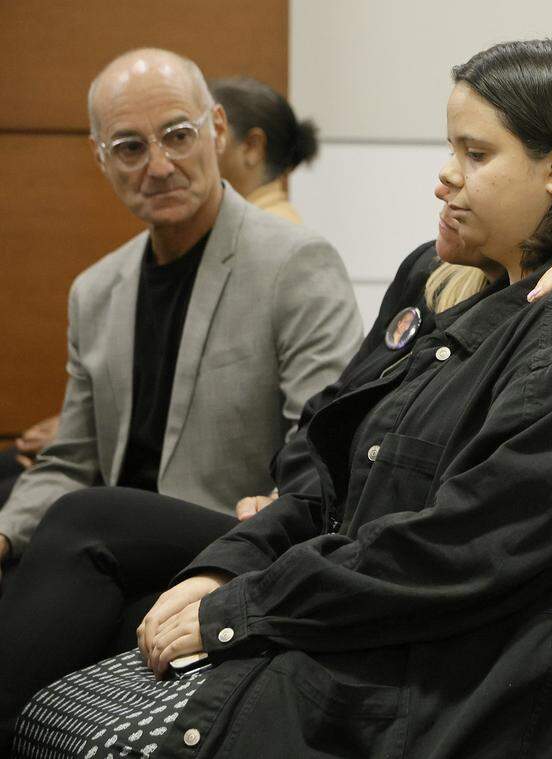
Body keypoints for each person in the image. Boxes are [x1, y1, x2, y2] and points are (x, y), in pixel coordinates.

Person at [16, 39, 552, 758]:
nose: (444, 177)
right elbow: (326, 453)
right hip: (374, 649)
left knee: (81, 690)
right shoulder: (475, 292)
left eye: (475, 154)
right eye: (450, 148)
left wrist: (246, 605)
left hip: (436, 697)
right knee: (70, 685)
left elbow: (458, 552)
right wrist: (232, 568)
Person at [0, 47, 361, 747]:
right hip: (116, 554)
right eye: (130, 147)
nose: (158, 165)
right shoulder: (97, 290)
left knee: (85, 514)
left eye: (178, 135)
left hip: (233, 538)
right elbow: (70, 457)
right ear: (102, 158)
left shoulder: (294, 262)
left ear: (218, 131)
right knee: (25, 506)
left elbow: (323, 449)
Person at [209, 76, 317, 223]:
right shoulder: (241, 221)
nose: (197, 147)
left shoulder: (271, 231)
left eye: (214, 132)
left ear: (252, 147)